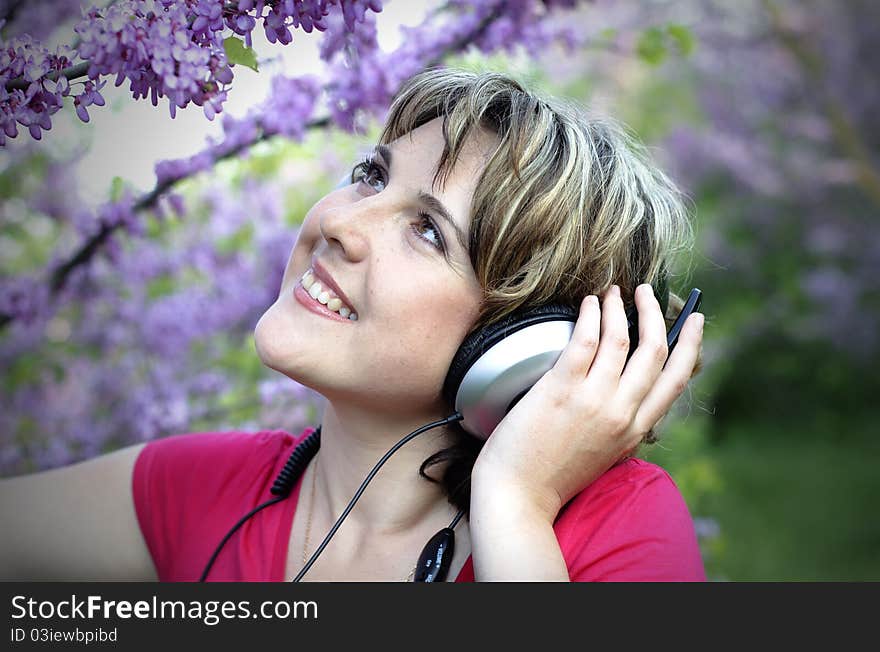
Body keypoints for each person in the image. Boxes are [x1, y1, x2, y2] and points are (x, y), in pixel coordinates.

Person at [0, 67, 706, 582]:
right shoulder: (197, 492)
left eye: (428, 231)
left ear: (530, 346)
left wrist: (514, 507)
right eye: (370, 174)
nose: (338, 222)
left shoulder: (614, 525)